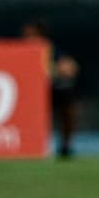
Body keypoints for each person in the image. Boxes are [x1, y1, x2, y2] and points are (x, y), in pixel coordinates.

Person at [22, 19, 80, 158]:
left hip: (48, 91)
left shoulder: (49, 50)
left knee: (67, 99)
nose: (28, 39)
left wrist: (56, 69)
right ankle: (28, 144)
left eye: (32, 35)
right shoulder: (20, 51)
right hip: (26, 93)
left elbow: (71, 67)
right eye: (26, 35)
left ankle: (66, 145)